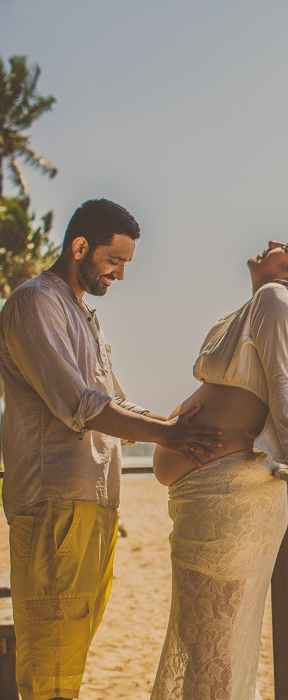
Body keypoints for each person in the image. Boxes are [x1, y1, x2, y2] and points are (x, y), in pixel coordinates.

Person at [0, 199, 223, 700]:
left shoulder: (83, 314)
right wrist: (167, 435)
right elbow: (78, 404)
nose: (120, 275)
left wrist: (171, 422)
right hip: (54, 503)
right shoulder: (35, 303)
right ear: (79, 247)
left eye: (125, 263)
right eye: (114, 260)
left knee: (69, 655)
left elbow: (115, 405)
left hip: (92, 506)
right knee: (50, 664)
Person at [150, 235, 288, 700]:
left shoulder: (277, 298)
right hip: (209, 490)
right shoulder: (263, 303)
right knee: (210, 644)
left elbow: (284, 379)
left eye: (286, 245)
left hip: (225, 493)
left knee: (211, 650)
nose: (270, 242)